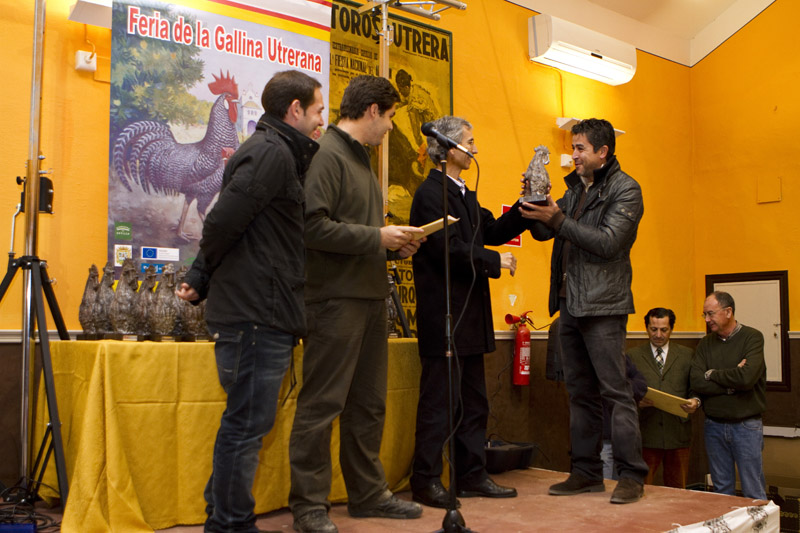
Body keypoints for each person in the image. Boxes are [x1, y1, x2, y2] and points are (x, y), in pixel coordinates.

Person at [176, 70, 325, 533]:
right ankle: (232, 525)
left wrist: (202, 276)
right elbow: (221, 222)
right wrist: (199, 275)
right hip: (255, 315)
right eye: (318, 110)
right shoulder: (269, 154)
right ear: (294, 110)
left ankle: (222, 519)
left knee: (244, 426)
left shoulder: (278, 152)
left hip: (262, 311)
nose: (323, 119)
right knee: (245, 428)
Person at [288, 75, 424, 533]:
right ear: (371, 111)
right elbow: (312, 227)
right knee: (321, 405)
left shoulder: (362, 161)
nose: (389, 127)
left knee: (368, 405)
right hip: (333, 301)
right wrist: (376, 237)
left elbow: (355, 236)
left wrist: (391, 246)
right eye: (389, 117)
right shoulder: (327, 155)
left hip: (368, 299)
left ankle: (367, 495)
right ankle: (308, 505)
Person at [520, 118, 648, 504]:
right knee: (579, 394)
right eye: (573, 148)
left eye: (579, 149)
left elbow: (608, 243)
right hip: (568, 303)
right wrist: (537, 207)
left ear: (602, 152)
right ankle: (587, 472)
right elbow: (550, 234)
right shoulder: (574, 189)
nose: (572, 155)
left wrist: (557, 218)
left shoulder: (626, 190)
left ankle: (631, 476)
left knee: (616, 391)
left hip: (604, 306)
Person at [408, 116, 527, 508]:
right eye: (470, 142)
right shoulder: (430, 194)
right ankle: (425, 479)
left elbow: (490, 231)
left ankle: (471, 474)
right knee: (439, 404)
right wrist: (495, 261)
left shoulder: (464, 194)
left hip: (469, 318)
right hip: (444, 317)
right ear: (450, 148)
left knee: (475, 402)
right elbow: (450, 249)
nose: (475, 150)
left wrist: (524, 208)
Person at [689, 291, 767, 500]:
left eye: (710, 314)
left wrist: (712, 374)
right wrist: (731, 383)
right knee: (721, 491)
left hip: (746, 426)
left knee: (753, 490)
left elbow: (746, 379)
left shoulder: (752, 337)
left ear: (728, 312)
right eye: (704, 315)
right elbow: (696, 381)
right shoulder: (705, 344)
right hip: (713, 425)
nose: (706, 320)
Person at [628, 308, 699, 488]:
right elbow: (622, 391)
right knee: (642, 488)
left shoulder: (687, 354)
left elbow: (696, 388)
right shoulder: (633, 356)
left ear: (671, 329)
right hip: (646, 433)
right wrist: (636, 402)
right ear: (646, 328)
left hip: (678, 433)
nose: (658, 334)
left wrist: (695, 401)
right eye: (653, 329)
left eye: (664, 330)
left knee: (678, 488)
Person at [600, 354, 647, 480]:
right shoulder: (589, 358)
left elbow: (641, 385)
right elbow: (602, 388)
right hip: (602, 438)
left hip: (624, 438)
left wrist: (620, 387)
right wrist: (624, 388)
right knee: (603, 489)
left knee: (621, 484)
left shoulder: (622, 357)